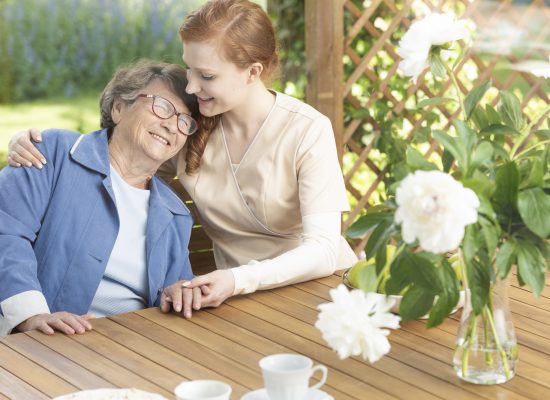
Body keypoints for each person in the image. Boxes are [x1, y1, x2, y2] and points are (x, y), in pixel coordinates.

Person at [6, 0, 358, 319]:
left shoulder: (307, 130)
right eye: (189, 69)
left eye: (206, 76)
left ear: (252, 72)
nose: (190, 87)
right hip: (236, 303)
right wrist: (35, 144)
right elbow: (118, 156)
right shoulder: (191, 127)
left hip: (316, 291)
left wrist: (236, 280)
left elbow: (324, 248)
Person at [0, 60, 201, 336]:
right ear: (119, 108)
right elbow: (7, 232)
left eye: (185, 121)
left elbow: (177, 289)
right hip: (48, 342)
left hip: (133, 345)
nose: (171, 126)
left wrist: (178, 292)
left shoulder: (175, 214)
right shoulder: (53, 153)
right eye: (163, 107)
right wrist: (31, 314)